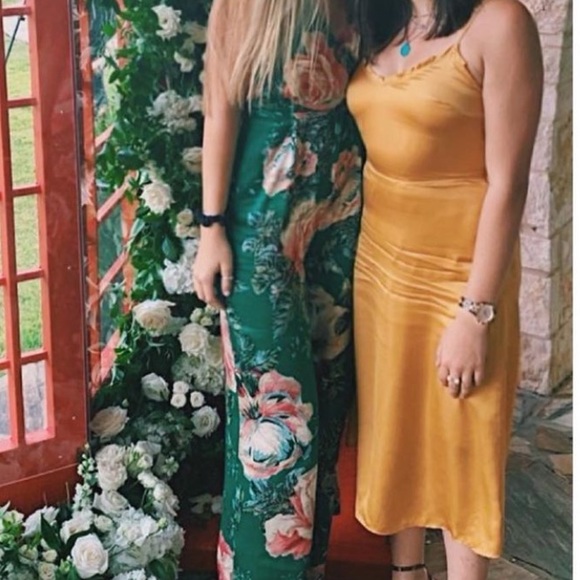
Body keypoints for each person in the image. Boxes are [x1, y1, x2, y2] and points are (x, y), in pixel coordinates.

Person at [347, 0, 542, 578]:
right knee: (397, 435)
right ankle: (406, 572)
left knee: (463, 450)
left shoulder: (500, 23)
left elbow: (509, 183)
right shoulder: (380, 18)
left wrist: (475, 313)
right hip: (380, 268)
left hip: (460, 277)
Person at [193, 1, 362, 578]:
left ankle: (309, 566)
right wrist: (211, 228)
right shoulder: (246, 6)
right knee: (277, 424)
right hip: (261, 235)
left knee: (330, 402)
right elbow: (221, 107)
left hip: (341, 228)